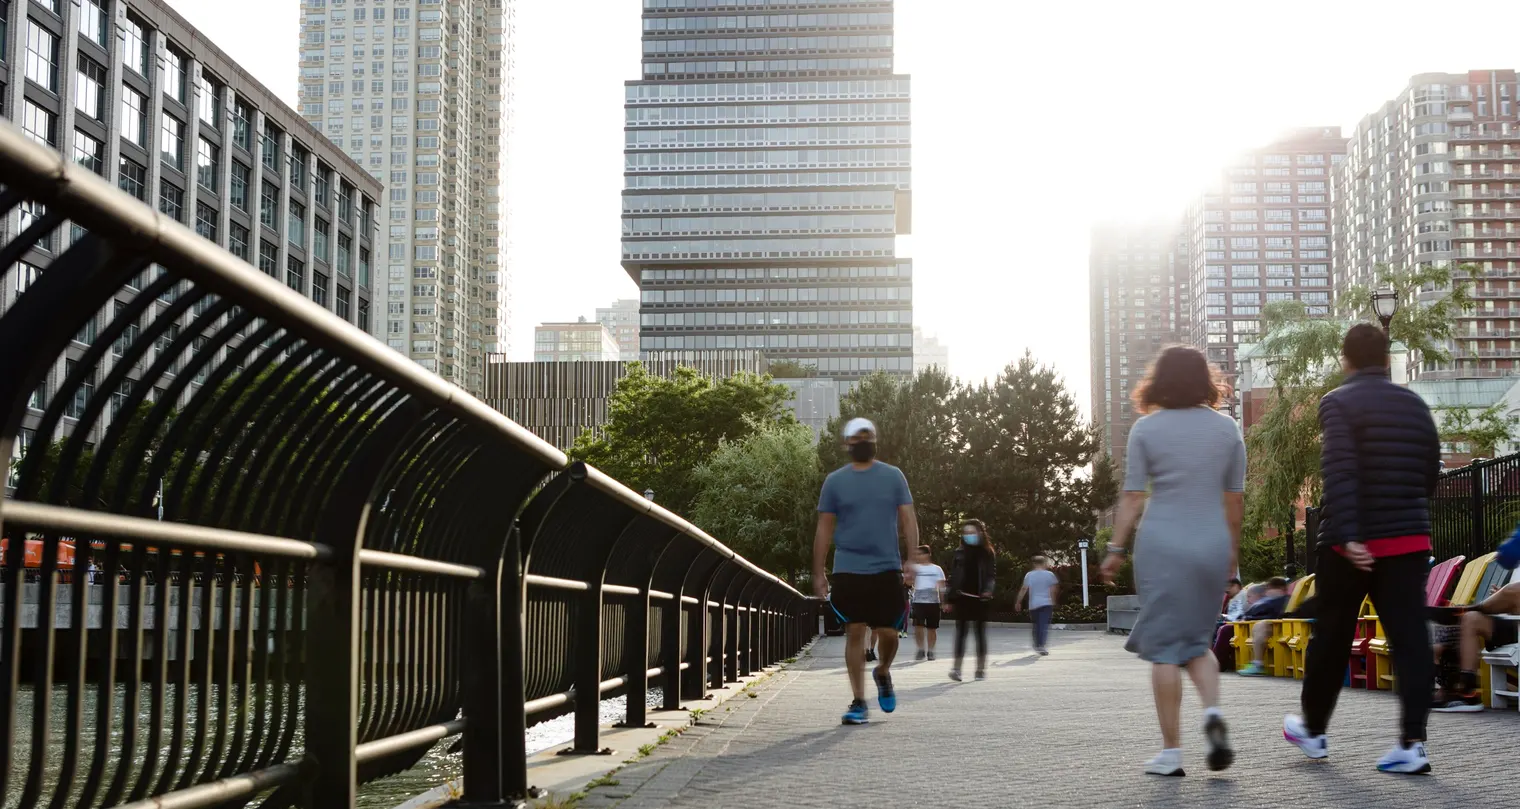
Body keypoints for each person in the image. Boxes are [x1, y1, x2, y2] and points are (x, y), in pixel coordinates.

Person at [1283, 323, 1442, 775]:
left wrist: (1350, 534)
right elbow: (1430, 471)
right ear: (1387, 359)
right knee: (1411, 641)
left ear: (1344, 360)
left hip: (1350, 546)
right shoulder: (1414, 403)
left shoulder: (1337, 402)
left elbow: (1340, 470)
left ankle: (1313, 732)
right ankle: (1412, 744)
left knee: (1331, 637)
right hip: (1409, 540)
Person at [1101, 345, 1242, 776]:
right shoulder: (1228, 428)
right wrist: (1231, 564)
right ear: (1205, 380)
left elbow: (1132, 498)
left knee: (1164, 650)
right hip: (1210, 544)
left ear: (1158, 381)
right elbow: (1234, 504)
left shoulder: (1146, 429)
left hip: (1162, 544)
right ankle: (1213, 713)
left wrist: (1114, 550)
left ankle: (1171, 752)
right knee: (1197, 643)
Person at [814, 417, 918, 726]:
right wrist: (818, 572)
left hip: (886, 566)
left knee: (888, 632)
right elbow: (823, 529)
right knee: (855, 630)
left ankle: (883, 670)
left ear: (874, 440)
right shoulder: (834, 481)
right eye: (856, 438)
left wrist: (911, 558)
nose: (863, 442)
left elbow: (909, 519)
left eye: (867, 436)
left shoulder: (893, 476)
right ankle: (859, 701)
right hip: (848, 567)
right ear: (847, 444)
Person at [1431, 578, 1520, 712]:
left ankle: (1473, 608)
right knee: (1470, 618)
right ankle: (1465, 691)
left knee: (1514, 590)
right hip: (1514, 625)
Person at [947, 519, 995, 681]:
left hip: (980, 599)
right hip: (962, 597)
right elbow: (953, 576)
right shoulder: (959, 552)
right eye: (966, 533)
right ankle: (956, 669)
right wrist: (949, 598)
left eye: (971, 532)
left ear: (980, 533)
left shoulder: (987, 553)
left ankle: (980, 669)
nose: (968, 536)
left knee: (979, 634)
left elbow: (990, 575)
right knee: (961, 634)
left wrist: (988, 590)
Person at [1236, 578, 1291, 676]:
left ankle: (1257, 665)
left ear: (1281, 589)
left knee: (1260, 625)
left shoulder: (1281, 600)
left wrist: (1248, 618)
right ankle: (1256, 664)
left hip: (1282, 626)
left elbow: (1274, 615)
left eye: (1270, 588)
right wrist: (1247, 617)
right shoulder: (1271, 600)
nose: (1267, 591)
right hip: (1276, 624)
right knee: (1259, 625)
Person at [1016, 556, 1060, 655]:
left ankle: (1037, 644)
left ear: (1034, 564)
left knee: (1036, 625)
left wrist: (1018, 602)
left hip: (1034, 604)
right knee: (1043, 624)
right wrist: (1053, 601)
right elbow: (1053, 589)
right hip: (1046, 603)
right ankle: (1041, 645)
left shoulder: (1029, 575)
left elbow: (1024, 589)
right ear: (1044, 563)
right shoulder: (1050, 575)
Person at [909, 545, 946, 661]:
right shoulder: (915, 568)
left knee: (932, 628)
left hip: (933, 602)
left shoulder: (937, 569)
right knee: (918, 627)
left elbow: (942, 586)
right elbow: (908, 582)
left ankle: (930, 651)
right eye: (918, 554)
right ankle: (921, 649)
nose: (919, 556)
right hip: (918, 601)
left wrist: (943, 601)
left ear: (928, 554)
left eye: (921, 554)